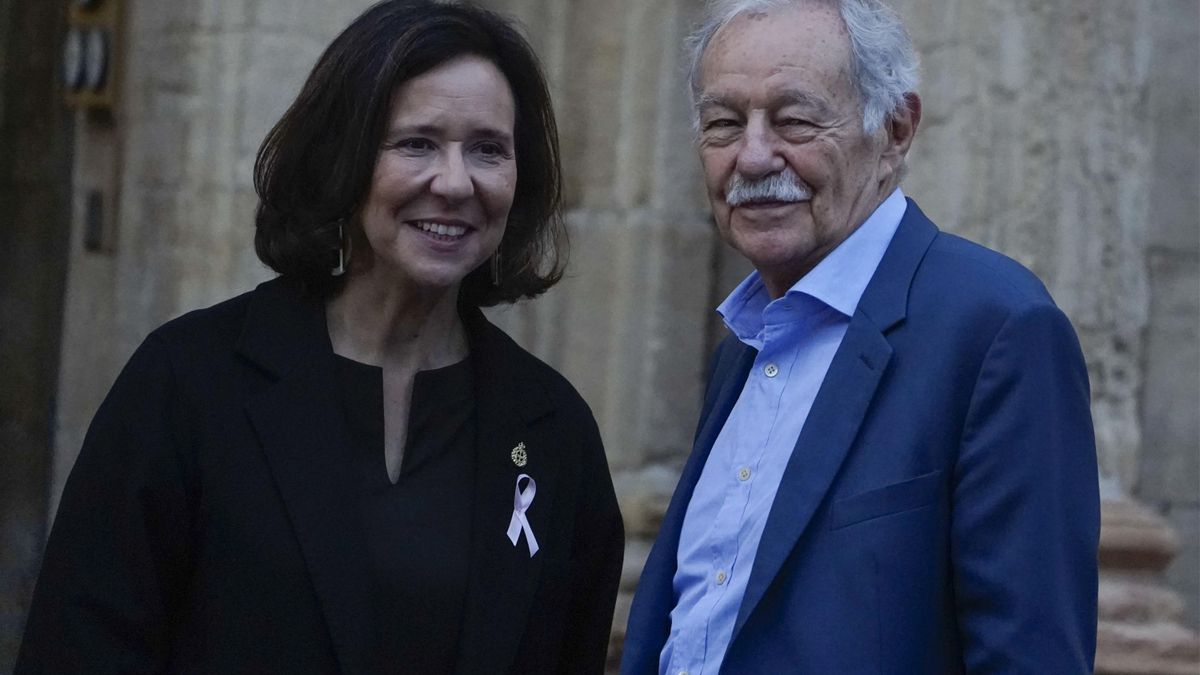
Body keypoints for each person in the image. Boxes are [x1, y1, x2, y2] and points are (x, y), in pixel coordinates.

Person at [16, 2, 623, 673]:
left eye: (488, 149)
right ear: (345, 158)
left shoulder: (552, 430)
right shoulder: (190, 384)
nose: (455, 182)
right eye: (417, 142)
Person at [621, 0, 1099, 673]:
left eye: (794, 119)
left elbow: (1031, 655)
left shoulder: (996, 328)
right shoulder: (744, 350)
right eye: (724, 123)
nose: (754, 156)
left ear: (896, 130)